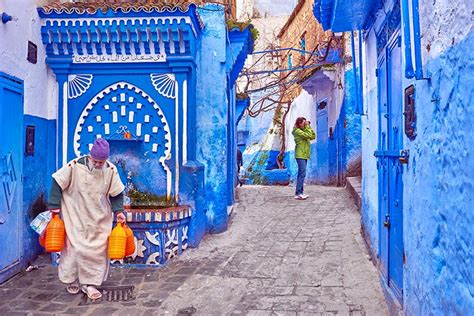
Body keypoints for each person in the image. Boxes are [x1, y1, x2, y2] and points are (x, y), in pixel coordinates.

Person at [48, 138, 125, 300]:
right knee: (74, 249)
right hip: (76, 214)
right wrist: (54, 204)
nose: (98, 164)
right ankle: (73, 279)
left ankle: (90, 284)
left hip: (99, 217)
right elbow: (57, 181)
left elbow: (117, 193)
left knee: (97, 251)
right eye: (96, 161)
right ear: (90, 157)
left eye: (101, 162)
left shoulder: (111, 169)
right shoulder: (74, 166)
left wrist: (119, 211)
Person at [292, 117, 316, 200]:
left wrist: (308, 127)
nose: (305, 124)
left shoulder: (303, 130)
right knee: (302, 173)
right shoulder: (297, 131)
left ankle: (300, 192)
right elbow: (309, 135)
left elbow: (313, 136)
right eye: (304, 123)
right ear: (299, 124)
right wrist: (308, 126)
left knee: (302, 173)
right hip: (300, 154)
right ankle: (298, 193)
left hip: (304, 154)